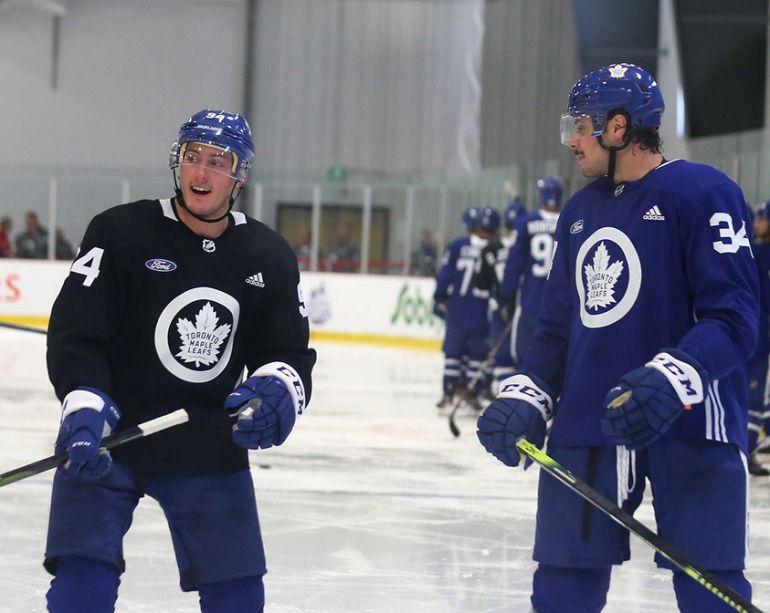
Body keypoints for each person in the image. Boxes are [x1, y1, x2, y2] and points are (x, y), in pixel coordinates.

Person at [477, 63, 758, 611]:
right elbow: (556, 326)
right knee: (561, 587)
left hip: (690, 422)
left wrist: (675, 376)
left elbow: (735, 318)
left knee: (711, 587)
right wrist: (527, 391)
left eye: (581, 126)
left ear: (619, 127)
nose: (572, 142)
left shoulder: (703, 193)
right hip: (589, 423)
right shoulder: (580, 212)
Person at [44, 109, 316, 613]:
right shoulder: (119, 232)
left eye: (218, 161)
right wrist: (82, 402)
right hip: (109, 437)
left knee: (238, 598)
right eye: (192, 156)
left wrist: (279, 390)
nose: (200, 173)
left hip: (207, 440)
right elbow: (77, 334)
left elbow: (287, 352)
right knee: (81, 589)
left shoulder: (266, 253)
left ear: (240, 175)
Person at [434, 207, 497, 411]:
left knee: (453, 355)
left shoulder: (458, 246)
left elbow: (444, 275)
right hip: (482, 311)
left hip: (458, 309)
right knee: (477, 357)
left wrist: (439, 297)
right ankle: (472, 394)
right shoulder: (497, 248)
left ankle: (449, 392)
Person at [497, 176, 562, 368]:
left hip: (531, 302)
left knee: (524, 357)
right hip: (560, 303)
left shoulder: (525, 223)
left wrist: (505, 298)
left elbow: (513, 265)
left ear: (540, 197)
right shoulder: (571, 221)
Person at [748, 201, 770, 476]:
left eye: (762, 218)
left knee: (759, 394)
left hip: (761, 335)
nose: (757, 223)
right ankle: (747, 448)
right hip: (755, 336)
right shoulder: (754, 253)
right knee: (752, 394)